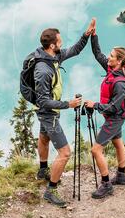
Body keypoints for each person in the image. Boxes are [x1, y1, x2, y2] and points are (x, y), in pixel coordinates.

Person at [35, 18, 96, 207]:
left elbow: (75, 50)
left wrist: (87, 35)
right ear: (52, 45)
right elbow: (43, 100)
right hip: (48, 113)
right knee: (65, 153)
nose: (62, 43)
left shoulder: (52, 56)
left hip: (47, 112)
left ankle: (43, 170)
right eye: (59, 41)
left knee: (43, 138)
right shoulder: (43, 70)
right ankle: (51, 191)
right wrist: (67, 104)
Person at [83, 28, 125, 199]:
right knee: (118, 143)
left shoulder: (120, 83)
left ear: (119, 61)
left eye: (112, 56)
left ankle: (106, 185)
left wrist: (95, 105)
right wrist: (94, 35)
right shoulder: (112, 71)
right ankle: (121, 176)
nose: (109, 57)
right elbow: (98, 54)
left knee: (96, 150)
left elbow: (113, 107)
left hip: (114, 118)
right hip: (115, 117)